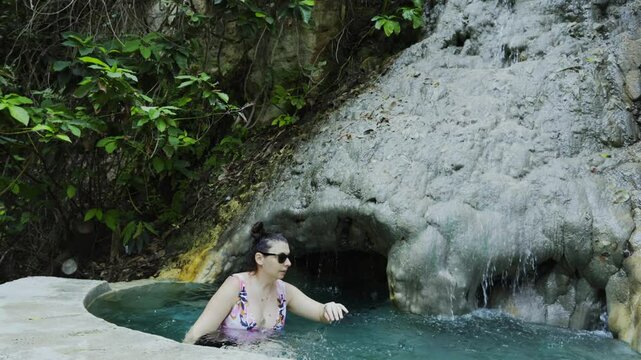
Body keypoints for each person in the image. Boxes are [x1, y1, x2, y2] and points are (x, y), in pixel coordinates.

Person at [183, 222, 349, 346]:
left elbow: (320, 313)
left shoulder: (285, 292)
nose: (288, 263)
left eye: (289, 257)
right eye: (282, 257)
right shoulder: (236, 285)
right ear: (259, 259)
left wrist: (329, 307)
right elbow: (196, 334)